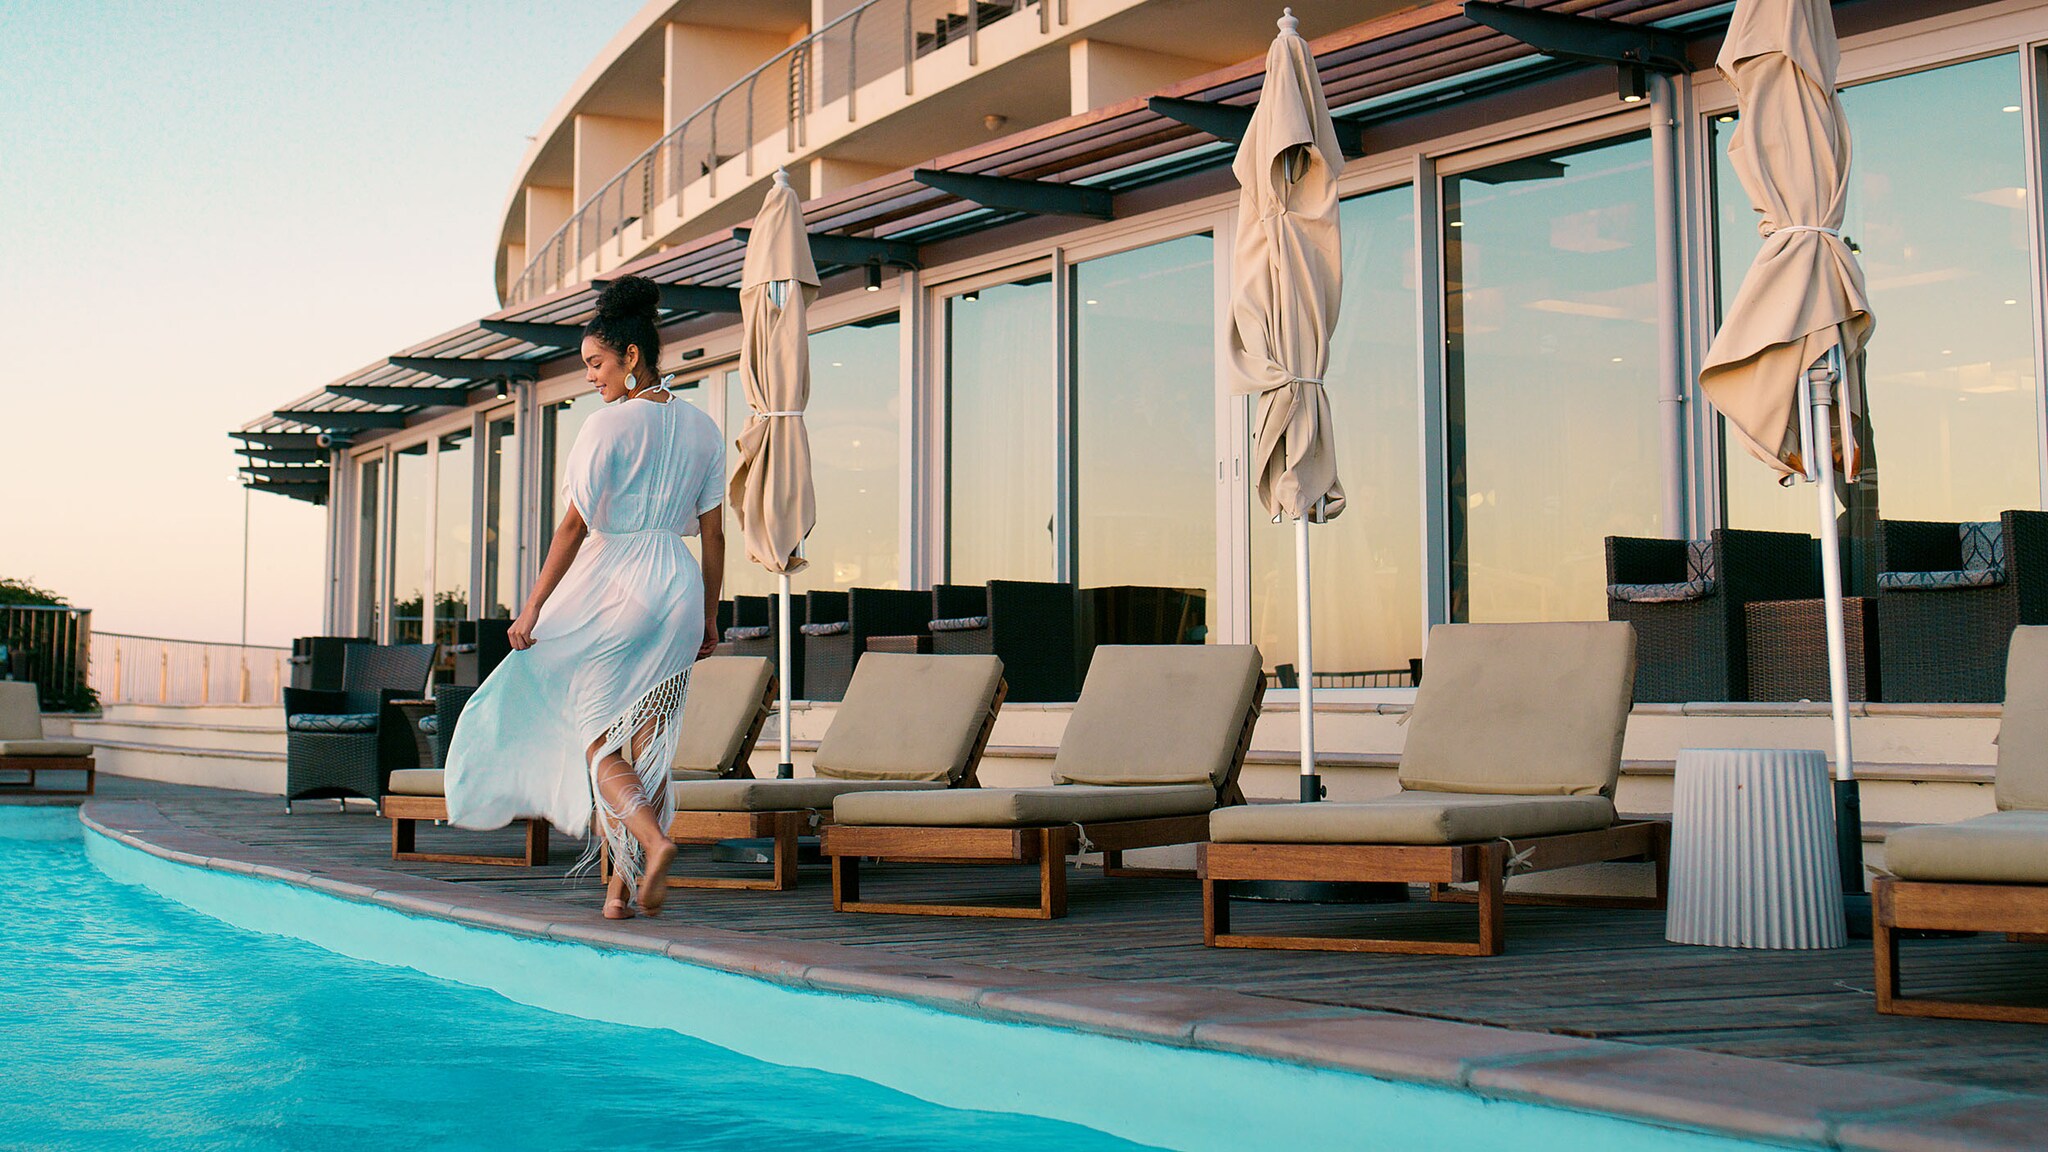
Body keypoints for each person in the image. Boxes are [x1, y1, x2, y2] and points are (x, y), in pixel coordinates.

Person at [445, 276, 724, 920]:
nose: (591, 378)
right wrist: (709, 612)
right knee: (648, 745)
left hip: (616, 585)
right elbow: (713, 536)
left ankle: (653, 844)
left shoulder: (605, 428)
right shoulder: (704, 429)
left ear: (631, 356)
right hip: (677, 587)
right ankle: (619, 893)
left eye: (596, 364)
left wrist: (534, 605)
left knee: (598, 741)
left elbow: (572, 527)